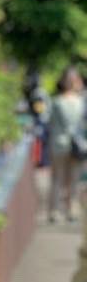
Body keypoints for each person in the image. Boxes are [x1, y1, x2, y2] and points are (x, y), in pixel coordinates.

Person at [46, 68, 87, 221]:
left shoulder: (57, 101)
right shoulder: (80, 102)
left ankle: (58, 211)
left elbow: (49, 123)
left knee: (60, 179)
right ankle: (69, 210)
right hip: (73, 145)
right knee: (70, 180)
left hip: (62, 144)